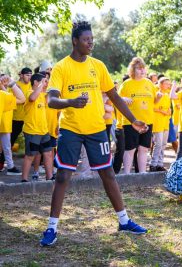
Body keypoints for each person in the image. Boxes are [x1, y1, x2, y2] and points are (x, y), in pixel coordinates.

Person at [40, 21, 148, 247]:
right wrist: (70, 102)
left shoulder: (98, 66)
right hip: (70, 129)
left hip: (97, 129)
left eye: (92, 39)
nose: (91, 42)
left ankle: (124, 221)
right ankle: (51, 228)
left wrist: (132, 119)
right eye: (86, 39)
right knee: (62, 176)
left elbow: (115, 96)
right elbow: (51, 100)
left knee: (108, 174)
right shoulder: (61, 67)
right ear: (75, 41)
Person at [118, 57, 159, 174]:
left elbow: (154, 101)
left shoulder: (149, 83)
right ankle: (126, 174)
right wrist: (123, 98)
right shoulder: (126, 84)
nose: (142, 71)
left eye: (143, 68)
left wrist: (159, 98)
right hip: (131, 122)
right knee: (130, 149)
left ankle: (142, 174)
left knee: (144, 148)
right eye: (139, 68)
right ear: (132, 70)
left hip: (147, 121)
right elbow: (116, 99)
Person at [21, 73, 54, 182]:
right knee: (30, 155)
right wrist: (42, 85)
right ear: (35, 82)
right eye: (44, 81)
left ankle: (50, 178)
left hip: (44, 131)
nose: (46, 83)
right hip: (32, 131)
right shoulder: (29, 93)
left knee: (48, 154)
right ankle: (24, 180)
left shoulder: (43, 95)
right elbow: (32, 98)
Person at [0, 67, 32, 175]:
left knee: (7, 147)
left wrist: (11, 84)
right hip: (11, 121)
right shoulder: (4, 94)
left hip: (6, 125)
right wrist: (12, 84)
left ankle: (10, 166)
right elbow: (22, 99)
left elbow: (21, 99)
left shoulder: (4, 95)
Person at [149, 77, 171, 172]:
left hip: (165, 122)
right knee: (158, 144)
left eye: (169, 84)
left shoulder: (167, 94)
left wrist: (169, 111)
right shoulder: (156, 93)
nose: (168, 85)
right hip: (157, 122)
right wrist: (162, 111)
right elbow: (152, 107)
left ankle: (160, 164)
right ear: (161, 84)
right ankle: (153, 164)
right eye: (166, 84)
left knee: (164, 144)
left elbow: (168, 108)